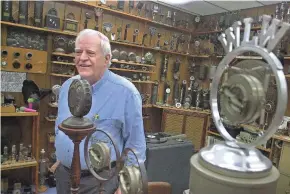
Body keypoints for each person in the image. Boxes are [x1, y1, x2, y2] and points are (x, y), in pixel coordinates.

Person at [53, 29, 146, 194]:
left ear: (107, 59)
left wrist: (125, 185)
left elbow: (136, 145)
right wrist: (61, 157)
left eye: (90, 53)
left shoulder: (126, 93)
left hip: (99, 181)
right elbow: (60, 126)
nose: (82, 58)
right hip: (63, 176)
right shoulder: (67, 86)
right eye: (78, 52)